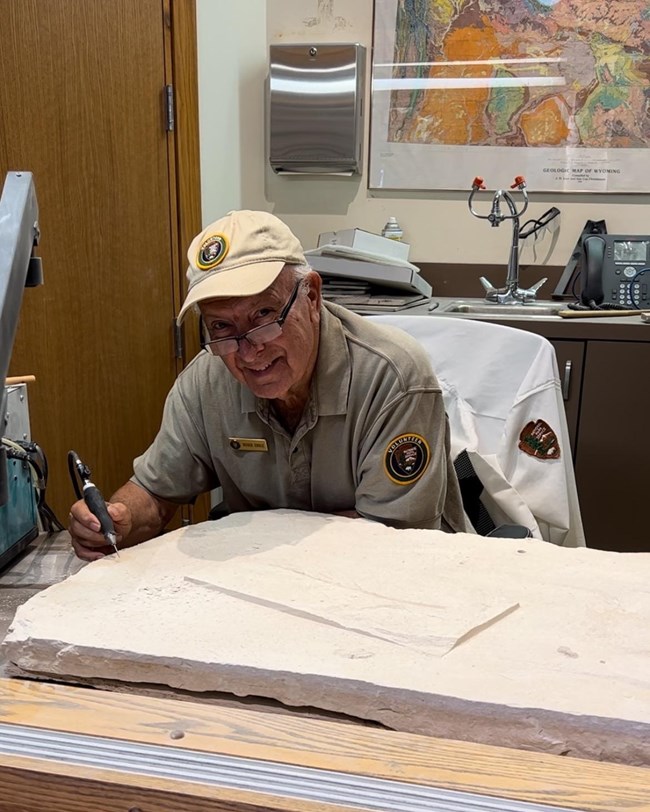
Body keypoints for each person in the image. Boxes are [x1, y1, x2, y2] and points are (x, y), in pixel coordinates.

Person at [69, 210, 466, 560]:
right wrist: (118, 520)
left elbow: (391, 543)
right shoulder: (204, 382)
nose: (248, 351)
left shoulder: (395, 378)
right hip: (263, 583)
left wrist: (252, 546)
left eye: (263, 314)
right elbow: (155, 493)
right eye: (222, 327)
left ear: (311, 295)